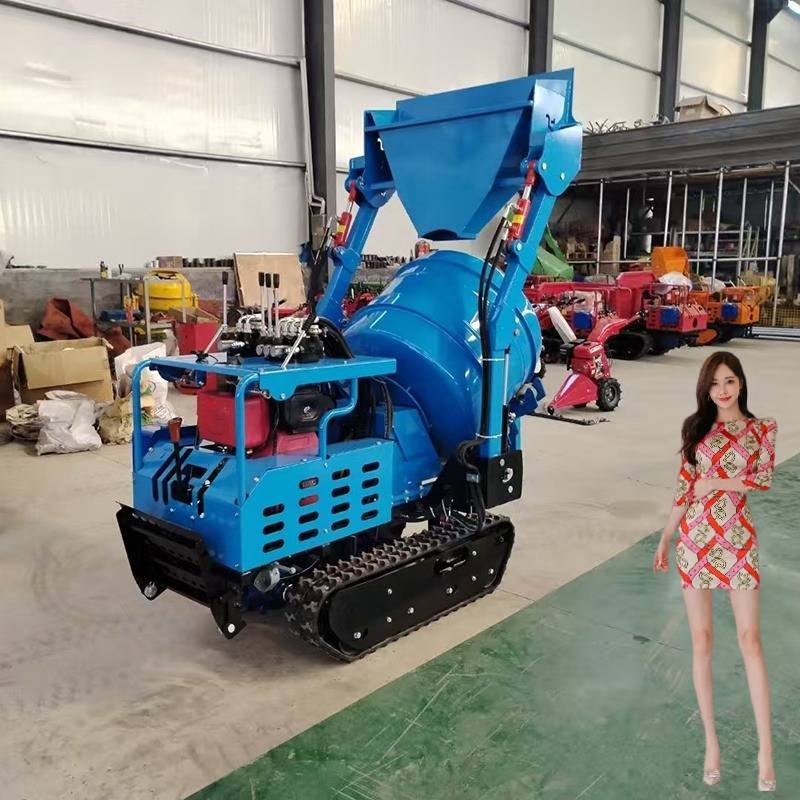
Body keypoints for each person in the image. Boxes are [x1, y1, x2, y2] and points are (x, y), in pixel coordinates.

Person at [653, 351, 778, 792]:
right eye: (714, 384)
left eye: (729, 381)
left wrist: (718, 482)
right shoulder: (695, 428)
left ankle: (766, 750)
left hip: (738, 540)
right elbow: (684, 487)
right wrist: (666, 536)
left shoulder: (761, 429)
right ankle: (711, 743)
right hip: (696, 541)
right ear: (705, 390)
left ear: (741, 383)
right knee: (702, 640)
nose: (722, 390)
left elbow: (763, 479)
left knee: (750, 640)